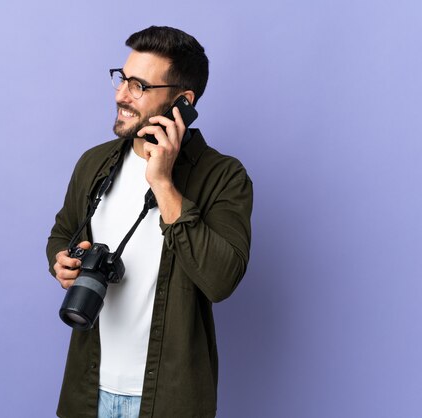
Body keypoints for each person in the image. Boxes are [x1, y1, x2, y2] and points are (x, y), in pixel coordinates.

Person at [47, 26, 253, 418]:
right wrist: (60, 259)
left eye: (139, 85)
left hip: (169, 400)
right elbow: (62, 230)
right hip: (88, 392)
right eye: (122, 79)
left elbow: (221, 279)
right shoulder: (94, 163)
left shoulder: (225, 177)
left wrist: (162, 182)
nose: (121, 95)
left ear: (182, 102)